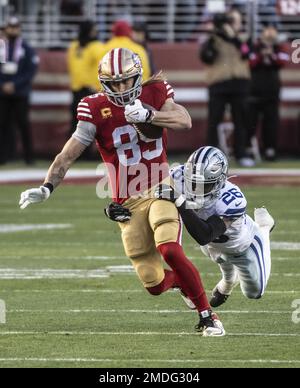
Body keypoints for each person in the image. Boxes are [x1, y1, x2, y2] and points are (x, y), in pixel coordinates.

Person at [19, 48, 225, 337]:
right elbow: (67, 155)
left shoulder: (155, 91)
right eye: (113, 83)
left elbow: (184, 121)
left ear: (137, 77)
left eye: (126, 81)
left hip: (159, 185)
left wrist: (149, 114)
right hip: (125, 200)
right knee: (153, 282)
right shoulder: (93, 107)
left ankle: (208, 316)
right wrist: (47, 186)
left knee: (170, 248)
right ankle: (181, 283)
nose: (120, 88)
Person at [154, 146, 274, 306]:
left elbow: (205, 235)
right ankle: (228, 281)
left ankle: (265, 226)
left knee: (254, 293)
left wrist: (180, 202)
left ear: (219, 181)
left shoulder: (231, 199)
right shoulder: (178, 176)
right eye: (193, 183)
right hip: (213, 245)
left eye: (205, 185)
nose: (197, 190)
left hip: (243, 246)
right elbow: (150, 192)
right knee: (221, 258)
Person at [200, 9, 254, 167]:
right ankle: (210, 156)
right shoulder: (212, 39)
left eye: (233, 20)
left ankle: (241, 153)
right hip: (218, 84)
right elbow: (206, 58)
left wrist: (233, 37)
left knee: (241, 120)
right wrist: (213, 37)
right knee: (214, 119)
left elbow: (247, 53)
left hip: (240, 83)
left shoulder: (243, 38)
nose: (230, 24)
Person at [0, 16, 39, 165]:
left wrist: (14, 84)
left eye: (15, 27)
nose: (13, 30)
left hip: (20, 93)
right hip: (3, 93)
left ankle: (29, 158)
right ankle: (3, 157)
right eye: (10, 27)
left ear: (19, 29)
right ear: (7, 28)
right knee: (2, 125)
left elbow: (31, 70)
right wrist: (3, 84)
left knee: (23, 124)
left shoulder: (26, 48)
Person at [248, 25, 289, 161]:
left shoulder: (279, 47)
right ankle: (249, 149)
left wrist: (271, 54)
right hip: (254, 91)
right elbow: (250, 62)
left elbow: (283, 61)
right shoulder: (255, 46)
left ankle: (270, 149)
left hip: (272, 91)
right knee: (251, 121)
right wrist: (261, 55)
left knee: (271, 123)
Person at [67, 20, 104, 136]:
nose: (95, 32)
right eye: (93, 29)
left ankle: (87, 153)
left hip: (89, 90)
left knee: (88, 124)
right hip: (82, 90)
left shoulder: (78, 46)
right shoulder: (78, 46)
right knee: (78, 124)